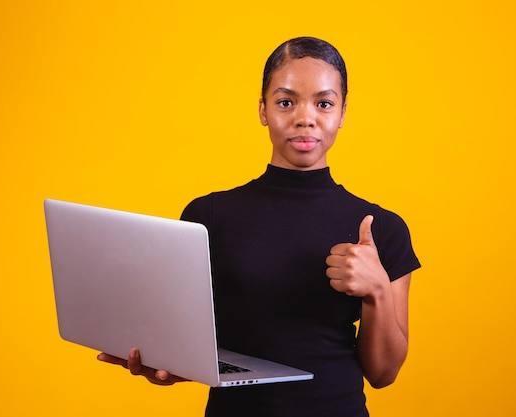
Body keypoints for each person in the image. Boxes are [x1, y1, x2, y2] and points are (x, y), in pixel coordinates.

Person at [98, 36, 420, 417]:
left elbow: (383, 374)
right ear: (263, 110)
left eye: (324, 103)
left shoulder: (382, 228)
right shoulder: (208, 216)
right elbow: (187, 344)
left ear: (342, 113)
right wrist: (167, 365)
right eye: (286, 102)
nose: (305, 117)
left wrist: (377, 289)